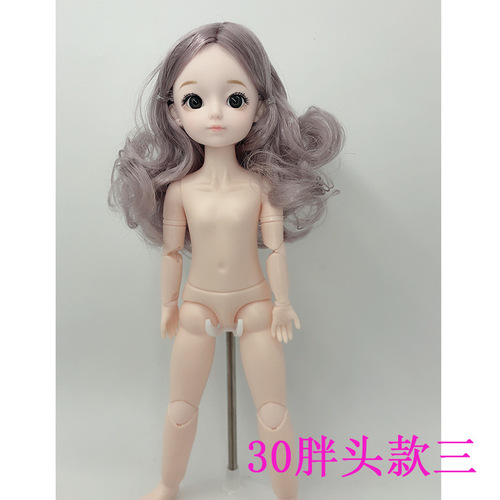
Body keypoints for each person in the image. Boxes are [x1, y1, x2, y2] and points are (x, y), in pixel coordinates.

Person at [109, 21, 344, 500]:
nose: (215, 114)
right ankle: (168, 484)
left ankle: (287, 493)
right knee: (181, 407)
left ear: (260, 109)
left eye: (235, 99)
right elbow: (172, 252)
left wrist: (283, 303)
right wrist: (167, 305)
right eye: (194, 100)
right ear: (174, 113)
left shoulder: (260, 187)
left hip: (255, 304)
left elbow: (275, 248)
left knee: (273, 410)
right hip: (196, 304)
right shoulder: (180, 191)